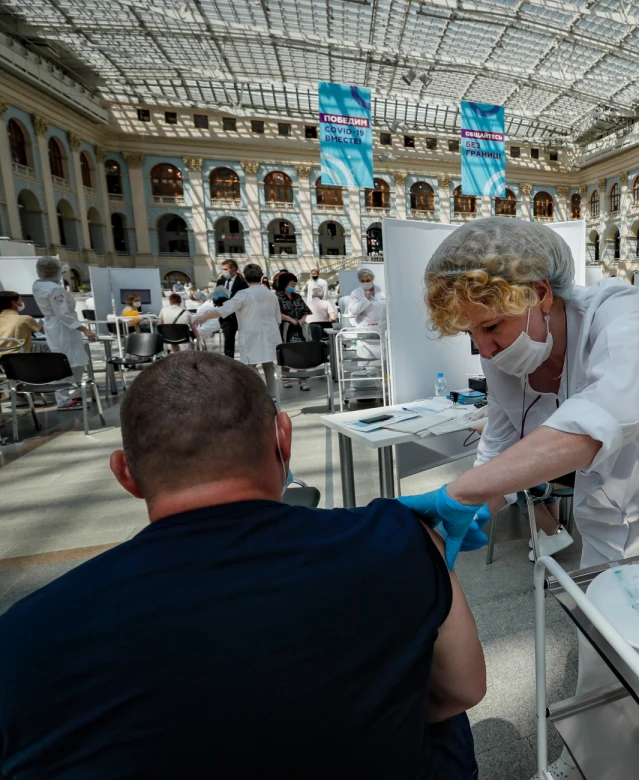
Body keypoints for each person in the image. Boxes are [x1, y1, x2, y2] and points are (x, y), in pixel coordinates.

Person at [0, 352, 484, 778]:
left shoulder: (23, 636)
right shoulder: (396, 537)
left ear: (126, 474)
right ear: (284, 441)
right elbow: (462, 689)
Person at [401, 218, 639, 780]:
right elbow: (498, 453)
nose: (484, 348)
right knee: (603, 638)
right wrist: (442, 528)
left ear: (540, 293)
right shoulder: (508, 355)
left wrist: (459, 493)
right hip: (611, 510)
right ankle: (591, 756)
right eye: (473, 337)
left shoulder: (621, 314)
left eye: (491, 327)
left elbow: (601, 419)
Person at [192, 264, 282, 397]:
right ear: (261, 275)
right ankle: (273, 395)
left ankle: (260, 395)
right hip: (270, 334)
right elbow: (278, 319)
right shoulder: (271, 295)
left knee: (251, 366)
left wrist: (204, 317)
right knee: (268, 364)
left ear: (245, 277)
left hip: (251, 334)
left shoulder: (244, 294)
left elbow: (223, 310)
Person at [31, 258, 98, 410]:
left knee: (74, 361)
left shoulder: (38, 285)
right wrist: (85, 330)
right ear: (56, 272)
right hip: (63, 328)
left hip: (55, 327)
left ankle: (71, 394)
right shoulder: (55, 289)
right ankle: (64, 400)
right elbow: (64, 314)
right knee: (69, 362)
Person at [217, 259, 249, 359]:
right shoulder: (221, 281)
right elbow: (217, 299)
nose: (223, 272)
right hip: (226, 317)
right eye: (222, 269)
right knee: (228, 342)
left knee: (244, 340)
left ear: (233, 269)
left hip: (240, 316)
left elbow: (244, 299)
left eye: (225, 269)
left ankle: (246, 361)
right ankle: (229, 363)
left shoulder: (242, 282)